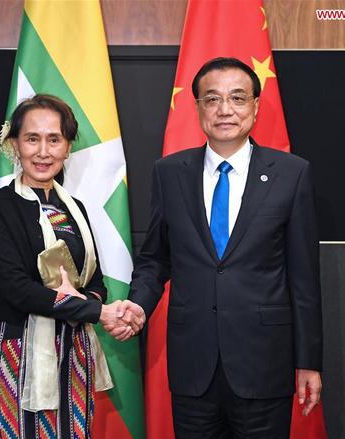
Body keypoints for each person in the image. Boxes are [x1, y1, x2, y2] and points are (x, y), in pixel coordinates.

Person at [106, 57, 323, 438]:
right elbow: (156, 258)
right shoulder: (169, 173)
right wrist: (138, 303)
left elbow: (304, 280)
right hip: (193, 367)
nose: (225, 110)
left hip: (264, 365)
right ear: (198, 109)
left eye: (238, 98)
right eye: (212, 99)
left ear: (255, 106)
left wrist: (308, 362)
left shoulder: (292, 174)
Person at [0, 94, 129, 439]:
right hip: (13, 350)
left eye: (54, 139)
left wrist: (85, 297)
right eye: (32, 138)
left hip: (72, 350)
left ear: (68, 147)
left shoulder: (77, 210)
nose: (43, 152)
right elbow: (16, 289)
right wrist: (95, 311)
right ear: (14, 144)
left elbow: (98, 283)